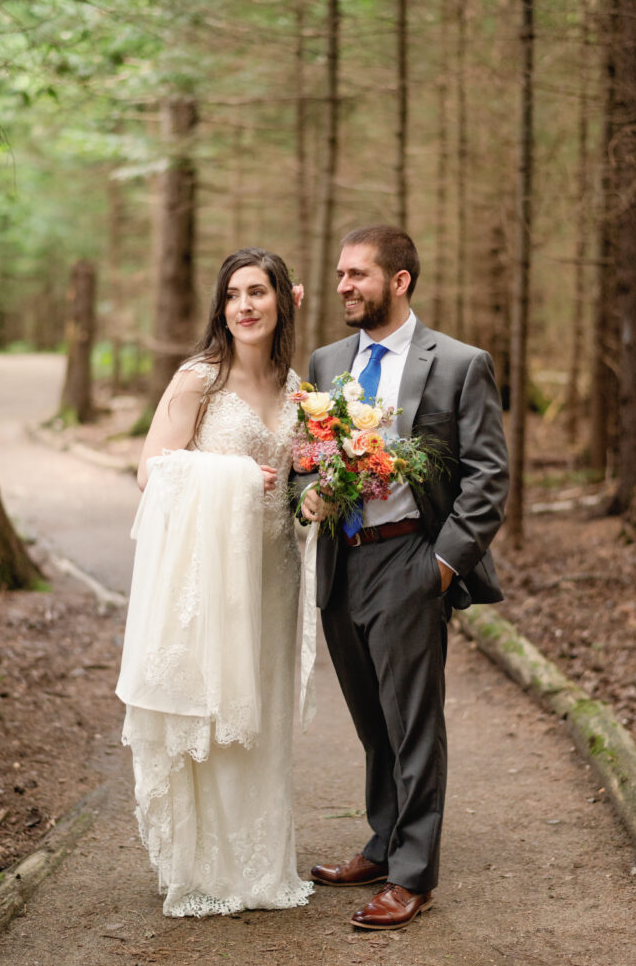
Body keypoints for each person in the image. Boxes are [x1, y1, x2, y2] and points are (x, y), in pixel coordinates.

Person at [300, 224, 509, 931]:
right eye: (338, 275)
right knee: (371, 721)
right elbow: (311, 452)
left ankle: (413, 875)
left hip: (410, 557)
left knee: (413, 723)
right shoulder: (328, 360)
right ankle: (382, 843)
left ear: (399, 280)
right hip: (340, 556)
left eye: (356, 274)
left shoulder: (456, 362)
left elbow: (487, 475)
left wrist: (444, 564)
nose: (342, 287)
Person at [116, 248, 313, 918]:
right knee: (211, 707)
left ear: (283, 300)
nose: (244, 307)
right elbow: (151, 469)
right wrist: (230, 477)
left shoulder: (297, 388)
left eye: (258, 292)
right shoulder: (199, 379)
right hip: (209, 576)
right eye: (233, 295)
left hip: (272, 575)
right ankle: (203, 869)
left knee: (260, 713)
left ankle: (259, 866)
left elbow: (304, 479)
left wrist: (313, 499)